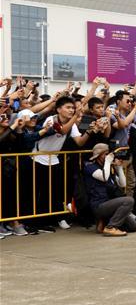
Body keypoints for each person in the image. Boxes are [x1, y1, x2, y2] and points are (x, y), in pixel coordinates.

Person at [31, 96, 90, 230]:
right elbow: (62, 130)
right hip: (38, 158)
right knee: (40, 192)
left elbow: (80, 142)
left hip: (54, 159)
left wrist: (90, 131)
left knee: (56, 191)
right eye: (68, 107)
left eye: (73, 108)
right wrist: (76, 115)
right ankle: (37, 222)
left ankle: (56, 218)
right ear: (58, 109)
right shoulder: (51, 119)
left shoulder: (72, 124)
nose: (71, 110)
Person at [84, 143, 136, 236]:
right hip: (99, 205)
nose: (109, 156)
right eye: (106, 154)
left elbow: (123, 184)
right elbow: (104, 177)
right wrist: (108, 162)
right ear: (98, 156)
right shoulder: (90, 167)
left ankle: (104, 222)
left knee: (133, 226)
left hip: (110, 204)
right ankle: (110, 227)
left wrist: (119, 168)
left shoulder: (108, 168)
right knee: (129, 200)